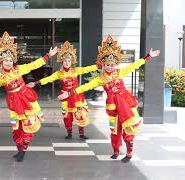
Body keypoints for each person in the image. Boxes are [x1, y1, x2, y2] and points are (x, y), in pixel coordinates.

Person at [58, 35, 160, 163]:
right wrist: (69, 93)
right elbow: (84, 87)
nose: (110, 67)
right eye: (107, 64)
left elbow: (134, 65)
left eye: (112, 64)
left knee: (128, 129)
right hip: (113, 108)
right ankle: (116, 151)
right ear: (104, 64)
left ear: (115, 64)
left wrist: (148, 56)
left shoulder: (120, 72)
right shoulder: (100, 79)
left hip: (126, 105)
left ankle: (129, 153)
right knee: (115, 130)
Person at [0, 31, 58, 162]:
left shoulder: (18, 69)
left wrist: (48, 56)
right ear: (1, 62)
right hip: (14, 103)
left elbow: (34, 65)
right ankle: (19, 149)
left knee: (28, 125)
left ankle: (23, 150)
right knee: (16, 128)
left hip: (26, 99)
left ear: (13, 60)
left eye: (10, 60)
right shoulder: (0, 77)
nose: (9, 63)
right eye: (6, 60)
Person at [27, 41, 98, 140]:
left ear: (72, 62)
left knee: (81, 115)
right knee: (67, 116)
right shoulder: (59, 73)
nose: (67, 63)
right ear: (62, 62)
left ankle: (81, 134)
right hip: (66, 97)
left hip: (77, 97)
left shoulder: (76, 70)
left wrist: (98, 66)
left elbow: (87, 69)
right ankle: (69, 133)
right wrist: (35, 83)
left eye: (68, 61)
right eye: (65, 61)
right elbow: (48, 79)